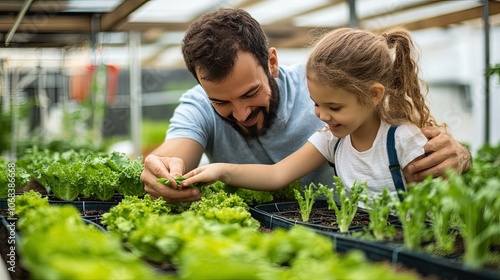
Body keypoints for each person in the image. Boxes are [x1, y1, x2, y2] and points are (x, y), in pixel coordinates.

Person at [141, 8, 472, 203]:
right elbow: (175, 158)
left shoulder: (329, 83)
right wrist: (163, 171)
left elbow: (432, 160)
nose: (240, 114)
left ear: (271, 62)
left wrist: (460, 158)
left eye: (249, 93)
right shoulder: (197, 105)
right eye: (221, 102)